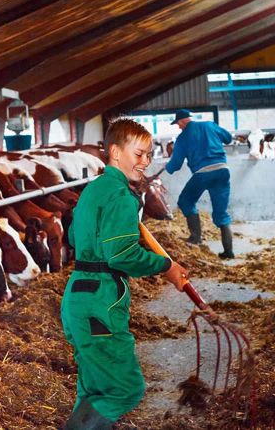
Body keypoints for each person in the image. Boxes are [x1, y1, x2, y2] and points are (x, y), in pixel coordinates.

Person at [61, 119, 189, 429]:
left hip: (78, 295)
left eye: (148, 155)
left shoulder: (92, 191)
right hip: (101, 301)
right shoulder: (120, 197)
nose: (146, 162)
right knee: (125, 389)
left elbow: (74, 240)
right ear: (116, 152)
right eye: (139, 154)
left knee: (94, 388)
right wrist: (166, 266)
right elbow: (122, 255)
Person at [164, 109, 235, 258]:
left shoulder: (183, 138)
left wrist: (166, 168)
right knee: (221, 212)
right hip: (222, 170)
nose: (178, 127)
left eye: (178, 124)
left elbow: (175, 164)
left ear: (182, 121)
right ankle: (228, 252)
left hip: (203, 173)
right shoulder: (210, 125)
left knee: (186, 201)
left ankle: (196, 238)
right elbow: (228, 138)